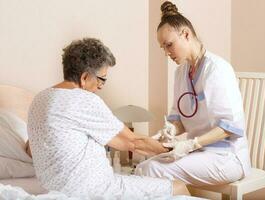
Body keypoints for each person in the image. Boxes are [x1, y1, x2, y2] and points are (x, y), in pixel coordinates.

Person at [27, 38, 190, 199]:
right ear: (84, 78)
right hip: (97, 190)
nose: (100, 86)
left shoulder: (39, 100)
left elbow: (30, 149)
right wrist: (172, 149)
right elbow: (133, 143)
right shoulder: (84, 100)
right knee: (178, 187)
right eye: (102, 79)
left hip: (54, 191)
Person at [135, 1, 251, 186]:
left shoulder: (217, 69)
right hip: (199, 154)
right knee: (143, 165)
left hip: (227, 156)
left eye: (169, 45)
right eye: (163, 48)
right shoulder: (181, 73)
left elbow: (230, 127)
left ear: (186, 34)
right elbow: (179, 120)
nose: (166, 52)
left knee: (151, 170)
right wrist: (171, 129)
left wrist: (192, 143)